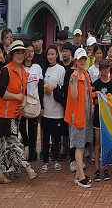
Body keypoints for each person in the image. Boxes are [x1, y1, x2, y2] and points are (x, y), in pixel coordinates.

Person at [0, 40, 37, 184]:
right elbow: (1, 92)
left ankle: (0, 173)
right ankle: (28, 167)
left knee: (5, 145)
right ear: (11, 54)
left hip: (15, 114)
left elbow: (23, 93)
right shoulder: (7, 70)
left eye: (22, 52)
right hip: (4, 115)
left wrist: (22, 103)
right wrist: (16, 97)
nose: (20, 55)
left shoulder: (23, 71)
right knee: (15, 143)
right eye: (17, 52)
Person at [64, 47, 93, 188]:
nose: (82, 61)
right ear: (75, 60)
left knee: (81, 144)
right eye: (80, 59)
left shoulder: (85, 75)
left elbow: (87, 95)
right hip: (77, 117)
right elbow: (74, 96)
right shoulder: (74, 76)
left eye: (84, 59)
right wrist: (74, 80)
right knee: (79, 146)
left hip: (85, 116)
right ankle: (81, 176)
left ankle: (77, 175)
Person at [41, 45, 65, 174]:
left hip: (57, 110)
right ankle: (45, 161)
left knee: (57, 137)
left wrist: (55, 87)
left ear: (57, 55)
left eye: (52, 54)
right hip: (46, 109)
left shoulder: (61, 69)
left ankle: (56, 159)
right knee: (46, 137)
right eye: (48, 54)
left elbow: (63, 86)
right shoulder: (43, 70)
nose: (50, 56)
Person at [92, 59, 112, 183]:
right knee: (97, 144)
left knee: (106, 144)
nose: (105, 70)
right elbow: (94, 102)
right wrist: (101, 99)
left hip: (108, 118)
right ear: (100, 70)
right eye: (103, 68)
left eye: (107, 68)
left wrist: (110, 99)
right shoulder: (96, 83)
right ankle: (97, 169)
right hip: (98, 117)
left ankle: (105, 168)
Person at [19, 42, 44, 163]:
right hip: (21, 102)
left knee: (33, 129)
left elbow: (40, 87)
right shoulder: (20, 67)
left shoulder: (37, 67)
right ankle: (22, 151)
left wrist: (42, 105)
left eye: (32, 51)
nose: (30, 54)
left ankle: (32, 152)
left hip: (34, 102)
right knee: (22, 129)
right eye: (27, 51)